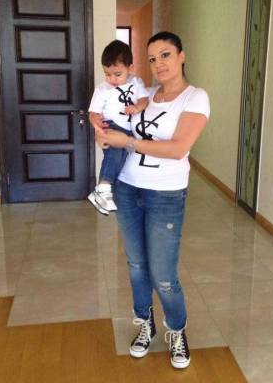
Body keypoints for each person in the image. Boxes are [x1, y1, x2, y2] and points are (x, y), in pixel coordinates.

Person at [91, 32, 210, 369]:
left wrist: (127, 142)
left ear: (182, 56)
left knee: (163, 273)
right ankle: (145, 323)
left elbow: (178, 149)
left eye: (166, 55)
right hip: (127, 188)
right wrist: (105, 138)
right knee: (136, 266)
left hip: (165, 195)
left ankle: (177, 330)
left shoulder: (195, 97)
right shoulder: (143, 94)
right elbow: (115, 128)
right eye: (153, 58)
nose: (159, 64)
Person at [88, 40, 149, 215]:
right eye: (107, 74)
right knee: (113, 155)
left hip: (129, 130)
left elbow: (144, 100)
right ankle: (103, 188)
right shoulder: (102, 89)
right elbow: (93, 112)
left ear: (130, 68)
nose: (112, 79)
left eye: (117, 74)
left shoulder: (136, 82)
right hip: (112, 125)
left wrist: (137, 107)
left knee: (121, 160)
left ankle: (107, 190)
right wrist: (97, 124)